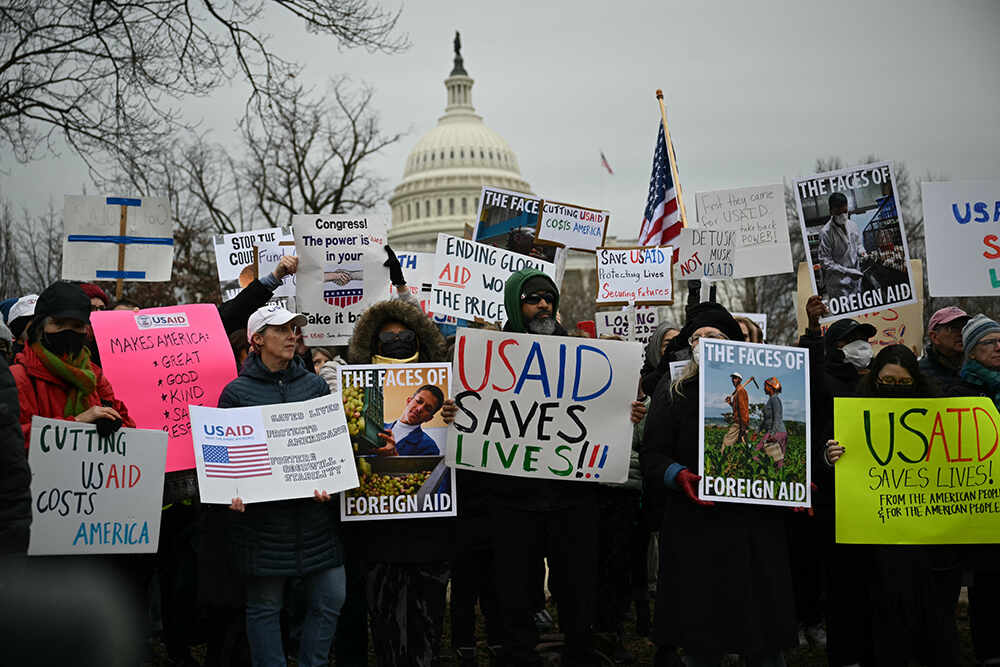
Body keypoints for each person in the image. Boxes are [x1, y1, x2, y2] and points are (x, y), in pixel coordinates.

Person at [489, 267, 646, 666]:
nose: (543, 304)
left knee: (577, 586)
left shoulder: (583, 355)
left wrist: (627, 411)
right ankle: (519, 654)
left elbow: (602, 411)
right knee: (515, 588)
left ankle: (580, 651)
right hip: (515, 499)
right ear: (515, 304)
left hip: (572, 498)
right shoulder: (491, 357)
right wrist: (459, 413)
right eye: (533, 298)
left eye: (549, 298)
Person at [641, 301, 796, 666]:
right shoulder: (673, 388)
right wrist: (676, 474)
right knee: (701, 632)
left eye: (712, 336)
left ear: (734, 343)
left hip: (755, 529)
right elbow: (652, 455)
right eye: (695, 338)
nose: (702, 343)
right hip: (698, 527)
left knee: (761, 632)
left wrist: (794, 482)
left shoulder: (769, 390)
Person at [222, 304, 345, 667]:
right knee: (265, 608)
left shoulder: (315, 385)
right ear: (257, 340)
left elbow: (329, 447)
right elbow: (225, 458)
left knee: (331, 599)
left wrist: (331, 481)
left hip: (315, 522)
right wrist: (232, 489)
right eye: (282, 329)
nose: (293, 335)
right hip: (264, 528)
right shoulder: (235, 394)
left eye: (295, 328)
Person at [824, 345, 961, 666]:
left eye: (902, 383)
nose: (894, 389)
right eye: (888, 381)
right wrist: (830, 457)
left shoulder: (938, 414)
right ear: (875, 379)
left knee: (927, 617)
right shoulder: (853, 413)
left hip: (925, 540)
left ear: (915, 380)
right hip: (874, 543)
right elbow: (831, 467)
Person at [345, 286, 454, 667]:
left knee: (424, 627)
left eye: (404, 338)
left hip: (427, 541)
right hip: (377, 542)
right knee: (387, 627)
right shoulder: (365, 421)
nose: (419, 408)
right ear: (408, 399)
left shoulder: (432, 441)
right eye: (386, 338)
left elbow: (437, 481)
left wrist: (460, 424)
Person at [10, 282, 134, 446]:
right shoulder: (19, 378)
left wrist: (113, 423)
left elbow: (130, 430)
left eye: (76, 326)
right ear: (40, 328)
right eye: (59, 324)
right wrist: (77, 422)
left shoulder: (95, 376)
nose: (68, 332)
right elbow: (11, 441)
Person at [944, 314, 1000, 665]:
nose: (998, 348)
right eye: (989, 343)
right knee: (990, 582)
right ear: (972, 353)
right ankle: (991, 651)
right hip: (981, 505)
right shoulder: (958, 393)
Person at [817, 191, 867, 301]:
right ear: (831, 211)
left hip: (856, 281)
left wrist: (862, 253)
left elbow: (858, 244)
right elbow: (825, 262)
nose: (843, 216)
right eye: (838, 213)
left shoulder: (852, 225)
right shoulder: (826, 233)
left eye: (845, 211)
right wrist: (847, 272)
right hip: (838, 285)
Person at [376, 384, 445, 456]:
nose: (419, 409)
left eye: (427, 409)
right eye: (419, 401)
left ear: (429, 419)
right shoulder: (378, 426)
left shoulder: (429, 447)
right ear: (409, 401)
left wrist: (394, 457)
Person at [919, 306, 970, 384]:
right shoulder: (920, 373)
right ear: (934, 337)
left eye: (965, 327)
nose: (961, 333)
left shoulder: (980, 368)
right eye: (953, 328)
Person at [756, 377, 787, 467]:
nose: (764, 388)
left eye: (765, 386)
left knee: (756, 453)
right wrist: (757, 431)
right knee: (777, 460)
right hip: (778, 432)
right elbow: (766, 420)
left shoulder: (774, 400)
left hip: (777, 432)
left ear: (770, 387)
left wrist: (772, 434)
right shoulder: (771, 400)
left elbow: (777, 418)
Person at [722, 372, 749, 452]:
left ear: (740, 380)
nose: (733, 380)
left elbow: (742, 409)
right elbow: (737, 408)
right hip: (741, 422)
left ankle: (721, 460)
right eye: (733, 378)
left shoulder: (740, 391)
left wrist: (743, 425)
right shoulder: (737, 392)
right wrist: (730, 403)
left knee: (726, 441)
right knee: (741, 445)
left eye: (735, 378)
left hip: (739, 423)